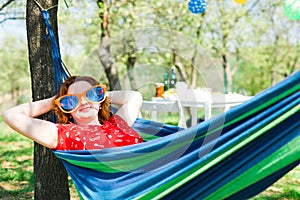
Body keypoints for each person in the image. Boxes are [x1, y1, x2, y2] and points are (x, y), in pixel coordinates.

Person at [2, 76, 143, 150]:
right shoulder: (65, 134)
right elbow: (11, 115)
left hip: (156, 176)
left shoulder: (117, 124)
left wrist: (99, 96)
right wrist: (55, 101)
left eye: (92, 94)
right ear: (67, 111)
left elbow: (134, 97)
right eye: (72, 101)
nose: (83, 102)